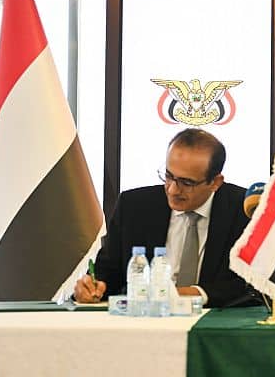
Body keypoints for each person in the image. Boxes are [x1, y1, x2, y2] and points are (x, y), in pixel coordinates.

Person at [73, 128, 251, 307]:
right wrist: (91, 287)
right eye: (168, 176)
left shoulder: (245, 210)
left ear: (215, 182)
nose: (173, 190)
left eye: (187, 182)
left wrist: (191, 294)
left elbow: (251, 286)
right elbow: (107, 273)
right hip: (147, 317)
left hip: (212, 318)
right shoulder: (134, 206)